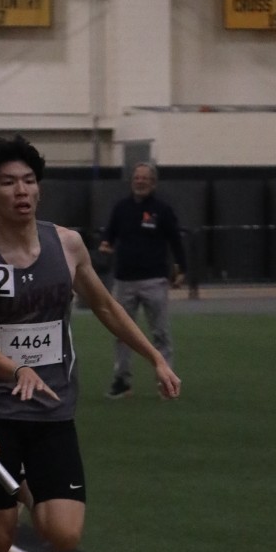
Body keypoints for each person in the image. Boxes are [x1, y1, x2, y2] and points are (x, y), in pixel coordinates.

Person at [0, 135, 181, 552]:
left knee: (63, 535)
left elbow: (104, 305)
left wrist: (154, 356)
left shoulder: (68, 244)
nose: (22, 191)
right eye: (8, 183)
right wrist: (14, 374)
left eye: (29, 181)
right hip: (0, 413)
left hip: (55, 410)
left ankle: (26, 490)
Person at [98, 162, 186, 399]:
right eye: (137, 177)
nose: (140, 181)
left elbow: (175, 240)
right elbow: (109, 233)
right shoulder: (121, 208)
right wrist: (105, 243)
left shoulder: (162, 210)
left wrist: (181, 268)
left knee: (160, 333)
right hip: (124, 280)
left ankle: (166, 383)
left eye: (145, 178)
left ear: (153, 183)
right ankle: (122, 381)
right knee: (122, 333)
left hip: (154, 280)